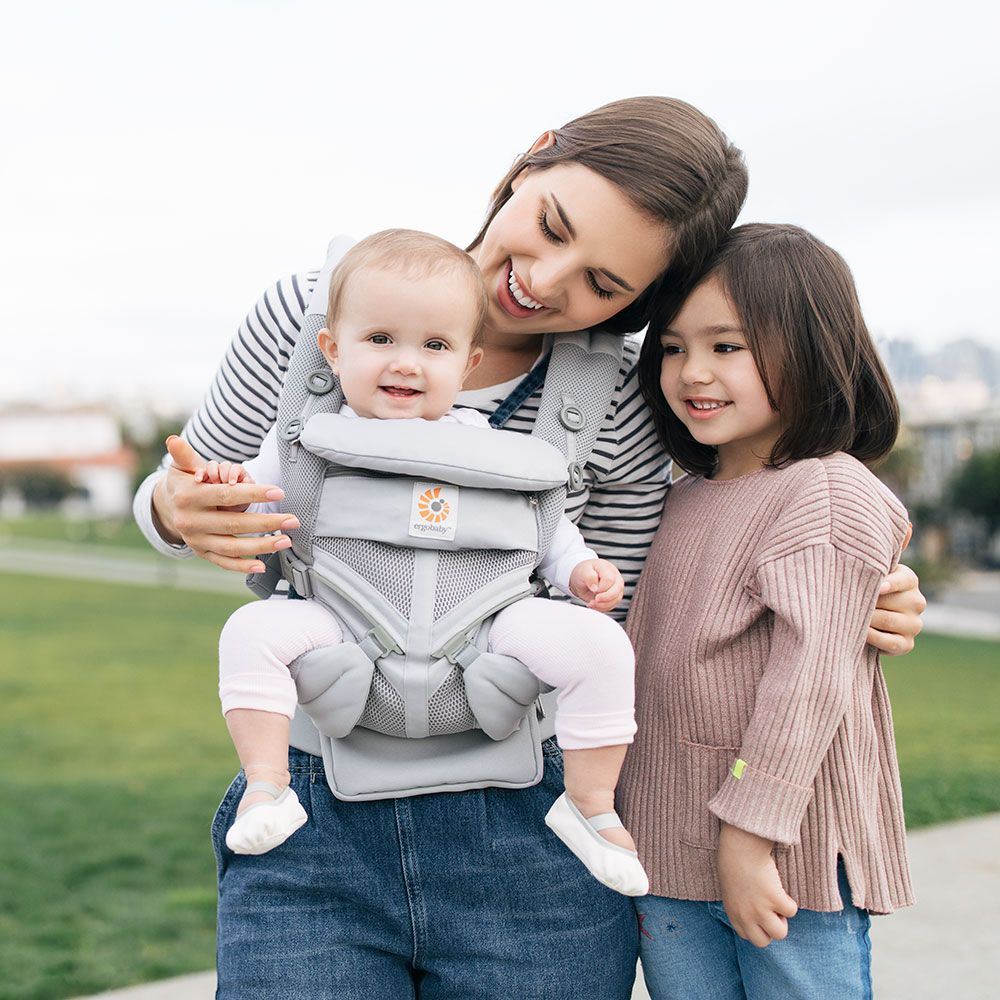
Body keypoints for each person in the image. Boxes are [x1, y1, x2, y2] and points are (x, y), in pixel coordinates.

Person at [134, 98, 925, 999]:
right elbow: (185, 491)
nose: (545, 281)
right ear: (533, 157)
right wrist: (173, 508)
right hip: (317, 810)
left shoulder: (626, 398)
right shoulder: (303, 315)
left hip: (532, 825)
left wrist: (863, 584)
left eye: (603, 286)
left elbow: (660, 586)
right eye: (550, 226)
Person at [193, 229, 647, 894]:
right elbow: (253, 497)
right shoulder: (306, 438)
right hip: (340, 623)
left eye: (434, 346)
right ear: (332, 349)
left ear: (467, 365)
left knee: (600, 646)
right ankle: (268, 786)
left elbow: (546, 527)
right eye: (380, 340)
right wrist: (225, 498)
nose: (407, 363)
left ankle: (591, 803)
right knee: (248, 633)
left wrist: (578, 571)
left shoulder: (490, 445)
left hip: (488, 630)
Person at [622, 224, 914, 999]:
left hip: (785, 861)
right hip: (668, 854)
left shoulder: (827, 492)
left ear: (813, 349)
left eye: (727, 347)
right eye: (676, 347)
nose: (692, 373)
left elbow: (807, 688)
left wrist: (749, 841)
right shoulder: (681, 501)